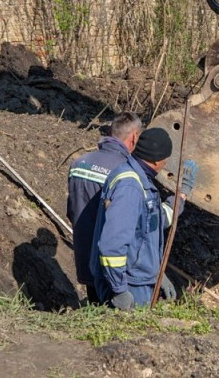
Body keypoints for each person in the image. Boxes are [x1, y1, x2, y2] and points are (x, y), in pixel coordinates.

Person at [89, 127, 199, 309]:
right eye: (166, 159)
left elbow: (157, 221)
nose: (166, 164)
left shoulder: (142, 181)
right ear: (156, 160)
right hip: (130, 284)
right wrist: (119, 290)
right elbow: (112, 245)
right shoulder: (130, 187)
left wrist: (181, 195)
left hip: (139, 280)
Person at [67, 112, 142, 304]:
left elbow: (71, 209)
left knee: (94, 310)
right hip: (111, 268)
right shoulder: (125, 171)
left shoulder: (79, 163)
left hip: (84, 255)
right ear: (134, 137)